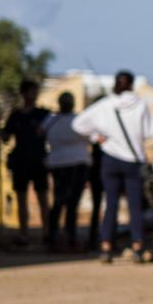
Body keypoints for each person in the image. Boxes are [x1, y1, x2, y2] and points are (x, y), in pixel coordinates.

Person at [72, 71, 153, 263]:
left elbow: (78, 124)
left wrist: (96, 137)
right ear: (132, 85)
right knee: (135, 206)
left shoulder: (105, 105)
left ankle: (106, 246)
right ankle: (137, 246)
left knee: (111, 204)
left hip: (110, 159)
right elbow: (149, 132)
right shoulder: (141, 105)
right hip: (133, 161)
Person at [0, 81, 51, 247]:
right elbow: (6, 137)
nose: (34, 95)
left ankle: (47, 233)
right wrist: (0, 130)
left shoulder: (44, 114)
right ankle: (24, 234)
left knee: (43, 198)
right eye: (31, 91)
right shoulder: (15, 116)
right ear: (24, 93)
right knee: (21, 199)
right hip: (21, 162)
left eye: (36, 91)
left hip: (39, 161)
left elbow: (52, 134)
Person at [42, 91, 93, 250]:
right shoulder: (78, 120)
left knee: (59, 200)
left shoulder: (50, 121)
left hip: (57, 164)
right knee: (71, 202)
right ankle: (69, 236)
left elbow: (40, 134)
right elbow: (90, 137)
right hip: (77, 163)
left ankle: (54, 236)